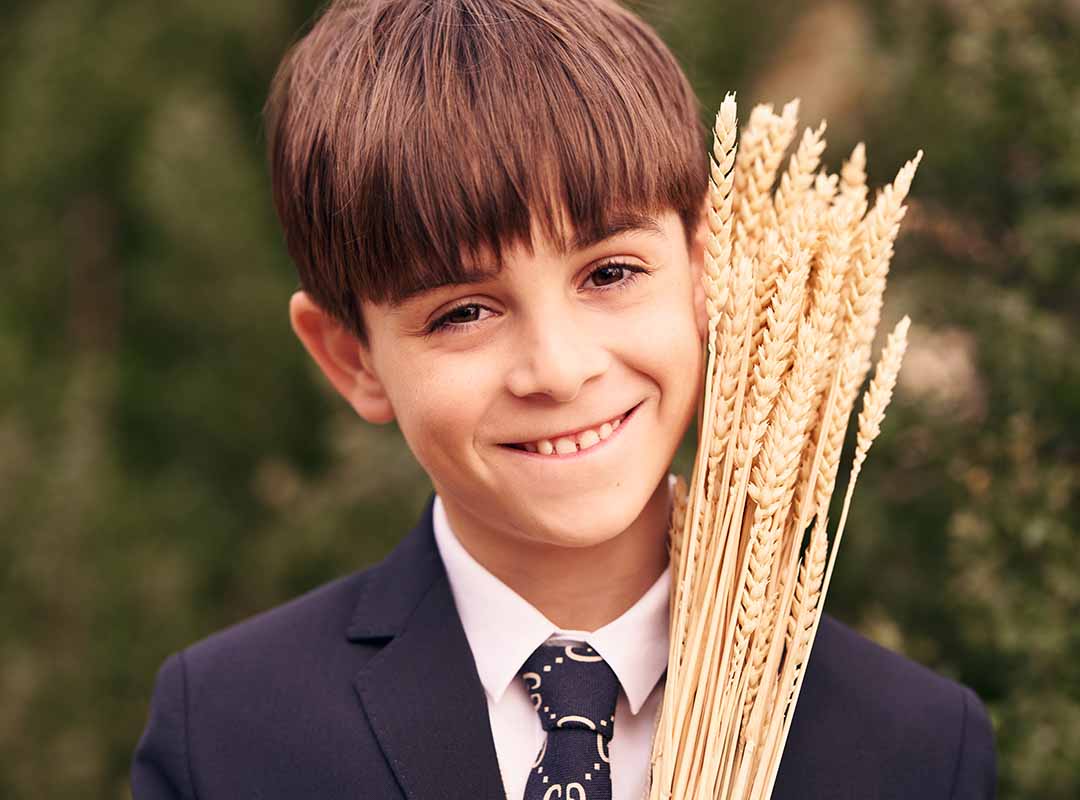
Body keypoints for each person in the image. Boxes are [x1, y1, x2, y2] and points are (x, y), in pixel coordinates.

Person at [130, 1, 997, 798]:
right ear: (351, 357)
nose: (558, 368)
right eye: (463, 312)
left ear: (706, 269)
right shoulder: (228, 735)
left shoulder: (911, 746)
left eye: (610, 272)